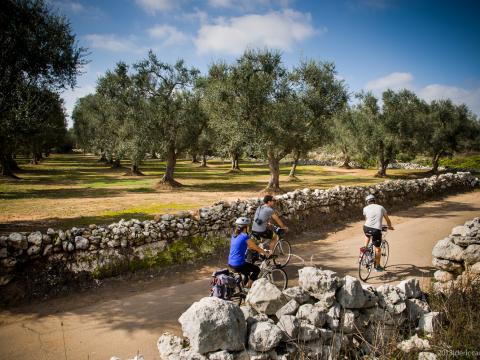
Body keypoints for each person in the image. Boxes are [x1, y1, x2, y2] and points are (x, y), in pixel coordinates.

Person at [228, 217, 269, 288]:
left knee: (246, 273)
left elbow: (248, 246)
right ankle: (248, 287)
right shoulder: (244, 236)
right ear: (245, 227)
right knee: (256, 269)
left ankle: (244, 289)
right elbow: (255, 247)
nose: (249, 228)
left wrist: (253, 248)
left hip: (231, 263)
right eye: (248, 226)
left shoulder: (234, 235)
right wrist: (265, 253)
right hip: (238, 264)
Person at [362, 194, 394, 272]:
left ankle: (365, 248)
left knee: (368, 235)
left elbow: (367, 219)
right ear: (374, 201)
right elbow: (387, 220)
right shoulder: (381, 207)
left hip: (366, 227)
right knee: (378, 249)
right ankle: (377, 266)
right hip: (376, 230)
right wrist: (389, 226)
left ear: (367, 202)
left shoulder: (365, 208)